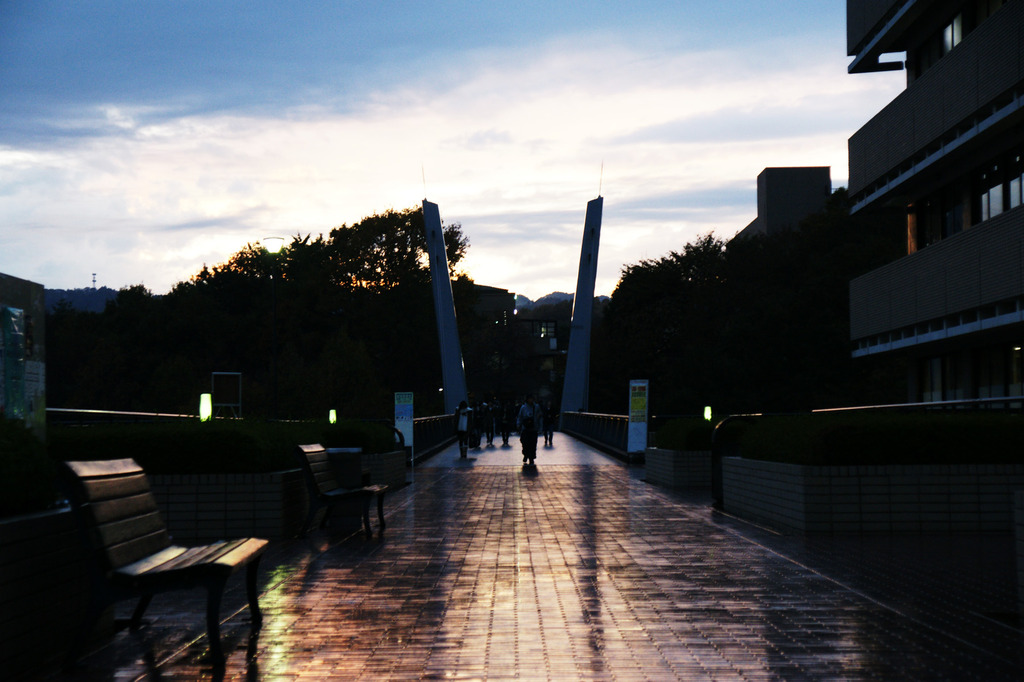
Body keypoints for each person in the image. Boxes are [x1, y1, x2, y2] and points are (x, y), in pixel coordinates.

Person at [516, 394, 543, 465]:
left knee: (533, 444)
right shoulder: (523, 407)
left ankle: (531, 458)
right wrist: (518, 424)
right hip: (525, 428)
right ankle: (525, 454)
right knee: (525, 443)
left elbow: (540, 417)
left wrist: (540, 427)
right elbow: (520, 416)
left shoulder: (536, 407)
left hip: (533, 428)